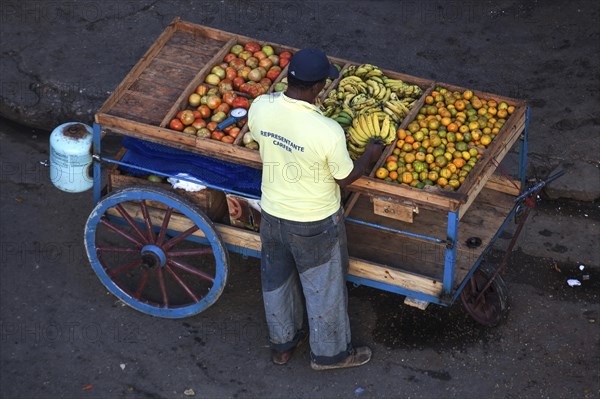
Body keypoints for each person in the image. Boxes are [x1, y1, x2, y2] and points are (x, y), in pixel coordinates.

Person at [248, 48, 383, 370]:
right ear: (317, 87)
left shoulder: (260, 107)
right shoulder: (327, 131)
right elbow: (345, 177)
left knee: (276, 282)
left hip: (272, 213)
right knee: (324, 289)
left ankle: (282, 346)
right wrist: (370, 154)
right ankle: (330, 355)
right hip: (314, 223)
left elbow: (260, 139)